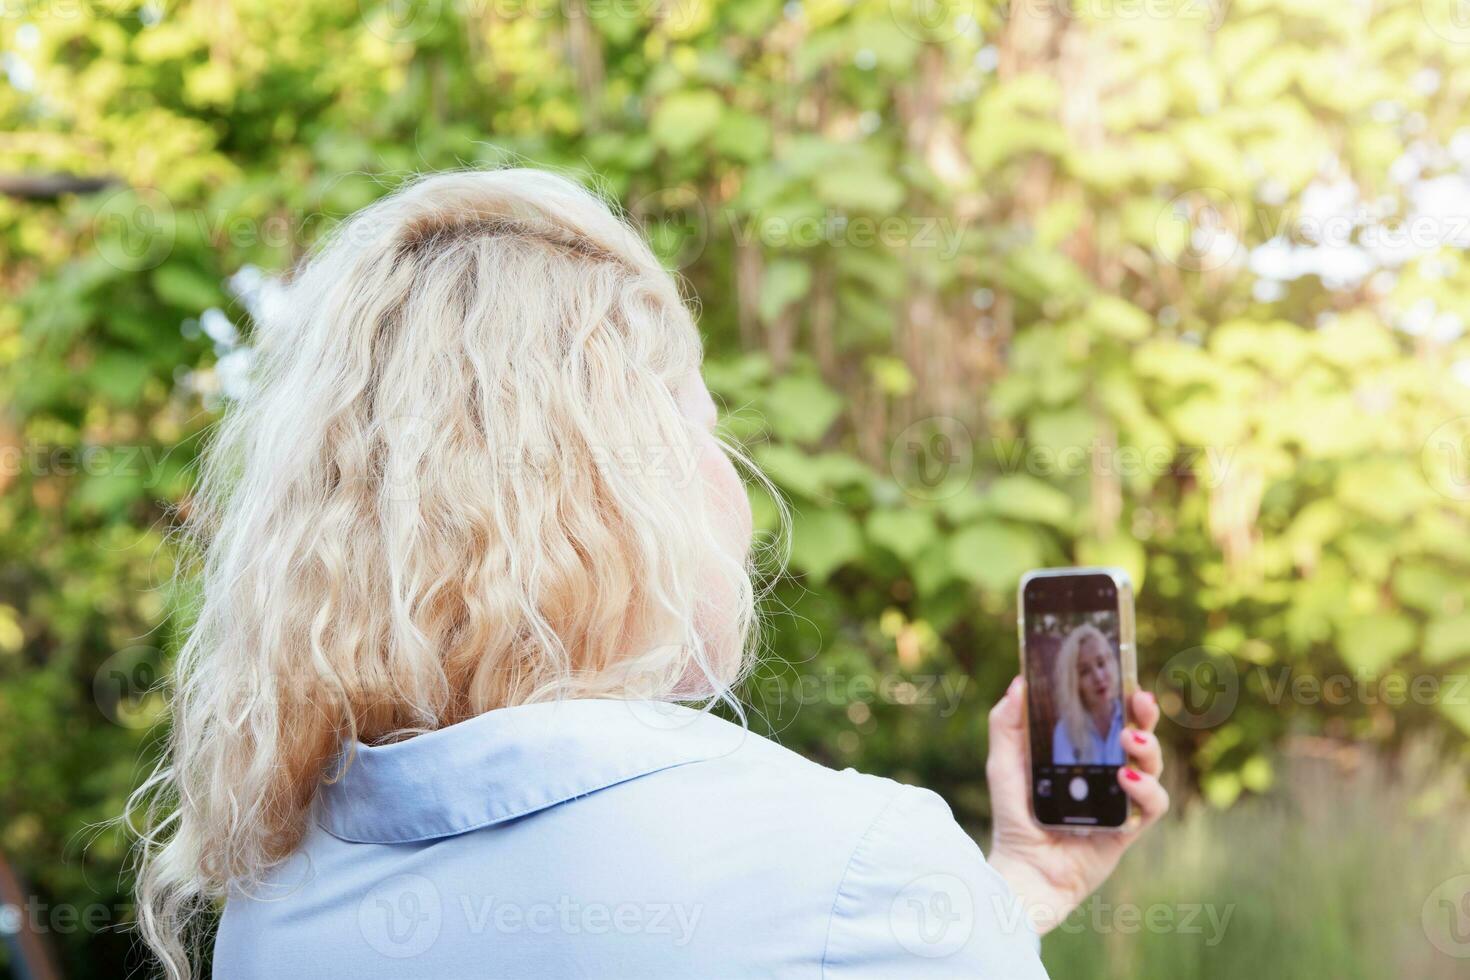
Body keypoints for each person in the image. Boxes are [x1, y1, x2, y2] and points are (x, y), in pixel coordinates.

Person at [126, 170, 1168, 979]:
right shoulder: (856, 861)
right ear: (616, 490)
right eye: (703, 429)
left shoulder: (277, 903)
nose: (735, 483)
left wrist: (1010, 889)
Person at [1051, 624, 1127, 766]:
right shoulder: (1065, 731)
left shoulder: (1130, 717)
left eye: (1101, 663)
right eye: (1085, 671)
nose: (1098, 677)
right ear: (1075, 683)